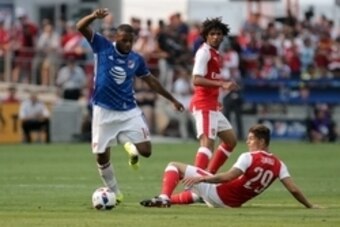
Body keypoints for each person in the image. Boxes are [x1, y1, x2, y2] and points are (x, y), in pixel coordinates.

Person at [76, 8, 184, 204]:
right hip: (104, 110)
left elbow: (151, 81)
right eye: (123, 40)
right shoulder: (102, 46)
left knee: (146, 151)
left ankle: (126, 142)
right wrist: (93, 16)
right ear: (116, 37)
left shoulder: (136, 59)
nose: (127, 44)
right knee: (101, 156)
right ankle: (115, 192)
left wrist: (172, 99)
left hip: (128, 110)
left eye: (130, 41)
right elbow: (80, 26)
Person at [140, 124, 317, 209]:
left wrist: (204, 177)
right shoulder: (279, 164)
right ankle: (166, 200)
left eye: (251, 138)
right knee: (197, 194)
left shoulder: (249, 157)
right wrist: (310, 205)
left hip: (220, 194)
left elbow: (229, 176)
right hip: (232, 204)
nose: (247, 141)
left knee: (174, 166)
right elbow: (293, 189)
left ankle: (164, 197)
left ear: (262, 141)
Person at [169, 17, 240, 205]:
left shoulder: (216, 54)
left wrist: (217, 98)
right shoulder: (204, 53)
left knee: (231, 141)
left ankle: (208, 175)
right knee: (207, 144)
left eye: (219, 34)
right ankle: (196, 185)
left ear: (223, 36)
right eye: (212, 34)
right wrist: (222, 84)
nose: (216, 37)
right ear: (206, 36)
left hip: (213, 105)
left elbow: (208, 80)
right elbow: (196, 79)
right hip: (203, 105)